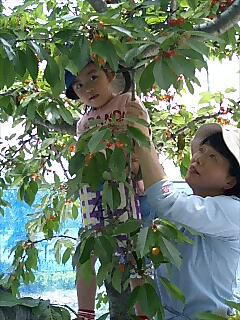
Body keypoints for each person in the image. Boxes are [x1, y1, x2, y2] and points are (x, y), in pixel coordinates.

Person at [126, 101, 240, 319]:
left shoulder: (234, 211)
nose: (198, 158)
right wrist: (139, 176)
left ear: (230, 180)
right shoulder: (189, 210)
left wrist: (143, 138)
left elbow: (165, 200)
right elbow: (148, 215)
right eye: (202, 151)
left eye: (212, 157)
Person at [65, 61, 149, 320]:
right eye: (78, 86)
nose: (87, 88)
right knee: (89, 248)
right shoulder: (83, 123)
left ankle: (142, 314)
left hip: (123, 185)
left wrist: (137, 166)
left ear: (110, 75)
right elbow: (82, 160)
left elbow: (143, 140)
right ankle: (85, 313)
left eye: (93, 77)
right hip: (92, 190)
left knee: (133, 252)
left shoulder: (127, 103)